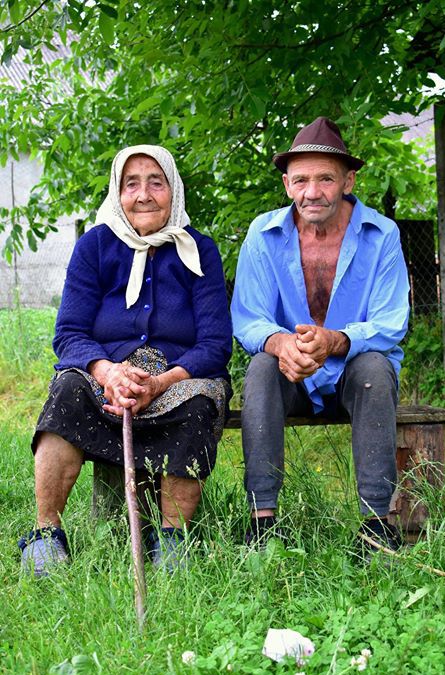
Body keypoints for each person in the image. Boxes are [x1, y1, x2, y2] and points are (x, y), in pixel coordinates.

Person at [19, 144, 232, 576]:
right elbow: (69, 334)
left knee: (198, 403)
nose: (144, 194)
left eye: (157, 182)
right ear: (117, 193)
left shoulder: (201, 251)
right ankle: (46, 536)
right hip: (107, 371)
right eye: (131, 183)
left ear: (174, 189)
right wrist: (108, 371)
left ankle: (172, 541)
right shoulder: (94, 246)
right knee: (68, 393)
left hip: (178, 376)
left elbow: (215, 344)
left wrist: (162, 382)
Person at [231, 117, 410, 559]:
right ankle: (263, 523)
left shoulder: (382, 234)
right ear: (288, 185)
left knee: (374, 369)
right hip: (291, 373)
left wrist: (335, 341)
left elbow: (391, 322)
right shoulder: (263, 233)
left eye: (326, 178)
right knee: (260, 367)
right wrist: (280, 345)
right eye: (302, 180)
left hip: (353, 368)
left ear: (348, 180)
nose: (313, 191)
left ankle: (377, 525)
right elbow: (249, 317)